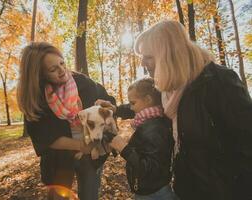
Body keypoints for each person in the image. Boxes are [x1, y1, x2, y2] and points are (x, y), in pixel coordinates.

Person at [98, 20, 252, 200]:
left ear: (168, 54)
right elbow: (146, 106)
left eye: (148, 57)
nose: (142, 63)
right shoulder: (169, 87)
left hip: (220, 190)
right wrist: (115, 110)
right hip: (187, 186)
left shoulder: (218, 82)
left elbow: (246, 143)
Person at [17, 42, 115, 200]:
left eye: (62, 63)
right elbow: (43, 137)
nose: (62, 71)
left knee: (89, 195)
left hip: (91, 157)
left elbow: (108, 101)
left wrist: (109, 107)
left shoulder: (82, 82)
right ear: (39, 75)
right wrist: (81, 146)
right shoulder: (36, 96)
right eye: (53, 69)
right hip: (58, 161)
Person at [109, 78, 178, 200]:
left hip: (153, 194)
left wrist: (124, 148)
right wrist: (115, 109)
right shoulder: (150, 121)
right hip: (149, 190)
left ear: (147, 100)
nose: (131, 108)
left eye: (133, 103)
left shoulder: (154, 129)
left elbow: (150, 168)